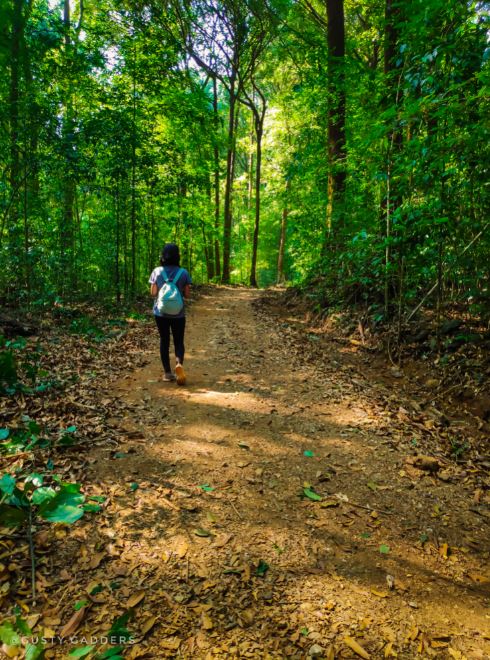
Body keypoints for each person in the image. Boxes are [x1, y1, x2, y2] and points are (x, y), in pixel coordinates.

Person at [149, 243, 191, 384]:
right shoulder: (184, 273)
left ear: (163, 256)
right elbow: (187, 295)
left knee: (164, 340)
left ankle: (167, 373)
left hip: (160, 313)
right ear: (178, 256)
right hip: (178, 313)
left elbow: (153, 293)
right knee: (179, 341)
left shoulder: (157, 271)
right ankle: (179, 364)